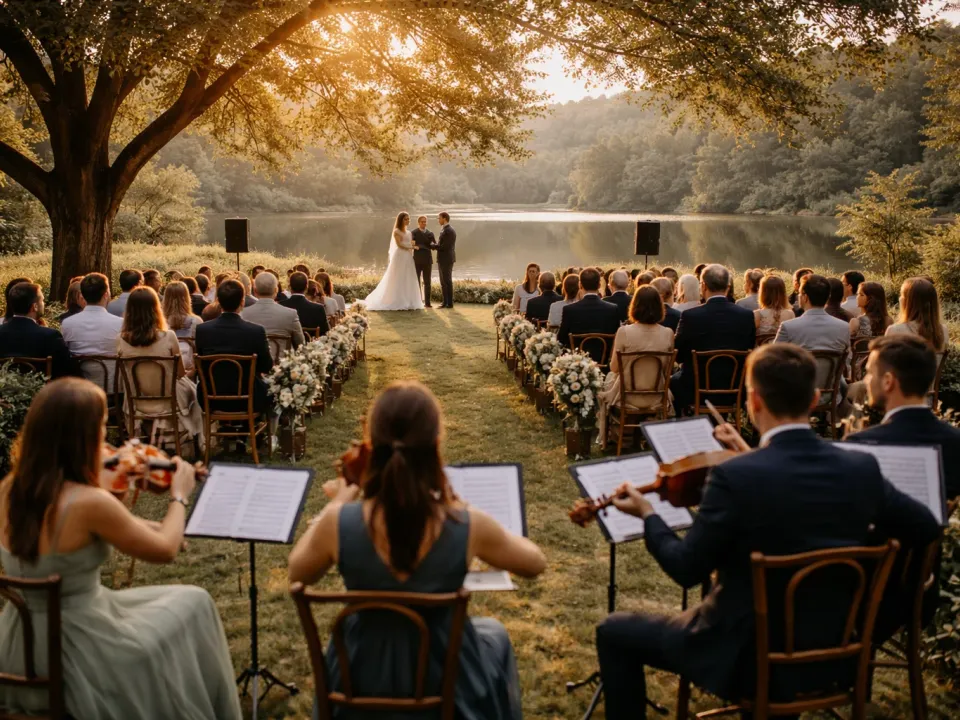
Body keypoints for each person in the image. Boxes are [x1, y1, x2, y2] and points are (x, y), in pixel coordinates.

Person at [595, 344, 940, 719]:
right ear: (813, 399)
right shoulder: (861, 468)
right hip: (835, 655)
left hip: (744, 657)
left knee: (615, 632)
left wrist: (648, 514)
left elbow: (685, 567)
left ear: (754, 401)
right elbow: (924, 525)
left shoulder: (734, 476)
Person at [288, 381, 546, 720]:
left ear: (372, 444)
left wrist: (344, 496)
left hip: (358, 684)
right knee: (493, 634)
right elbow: (535, 563)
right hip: (446, 688)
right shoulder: (468, 523)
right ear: (435, 443)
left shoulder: (336, 522)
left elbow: (297, 571)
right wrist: (461, 506)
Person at [0, 378, 241, 719]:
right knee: (195, 603)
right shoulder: (88, 502)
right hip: (76, 648)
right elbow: (166, 551)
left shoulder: (10, 488)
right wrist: (179, 494)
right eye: (100, 428)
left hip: (16, 643)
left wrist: (147, 521)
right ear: (82, 437)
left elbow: (87, 532)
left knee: (185, 604)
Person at [848, 335, 960, 500]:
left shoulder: (863, 444)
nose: (865, 381)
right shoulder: (956, 441)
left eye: (869, 373)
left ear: (888, 381)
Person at [116, 287, 203, 441]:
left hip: (136, 400)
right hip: (170, 399)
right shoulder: (168, 336)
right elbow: (180, 374)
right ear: (156, 308)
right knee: (195, 392)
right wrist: (193, 370)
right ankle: (192, 439)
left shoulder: (121, 339)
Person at [671, 265, 755, 410]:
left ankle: (684, 423)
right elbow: (749, 349)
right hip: (734, 388)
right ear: (728, 287)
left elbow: (678, 353)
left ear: (703, 286)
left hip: (696, 387)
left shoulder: (691, 316)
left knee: (672, 382)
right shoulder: (746, 316)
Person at [597, 286, 675, 444]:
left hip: (628, 395)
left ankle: (617, 434)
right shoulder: (668, 333)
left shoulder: (624, 332)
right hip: (657, 395)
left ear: (635, 306)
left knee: (610, 378)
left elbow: (614, 368)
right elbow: (667, 371)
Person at [195, 279, 274, 414]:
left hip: (212, 398)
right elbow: (266, 366)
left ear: (218, 301)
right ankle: (265, 431)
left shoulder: (202, 330)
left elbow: (201, 365)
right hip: (250, 398)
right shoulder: (255, 331)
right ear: (242, 302)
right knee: (271, 389)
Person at [0, 282, 78, 379]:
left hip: (3, 392)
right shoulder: (50, 336)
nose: (44, 304)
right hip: (42, 392)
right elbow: (66, 370)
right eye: (42, 300)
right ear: (34, 307)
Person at [62, 273, 123, 390]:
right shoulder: (120, 323)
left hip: (80, 388)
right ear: (106, 295)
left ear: (83, 296)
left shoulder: (68, 324)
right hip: (114, 389)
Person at [774, 274, 850, 355]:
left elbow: (773, 357)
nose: (799, 296)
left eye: (799, 293)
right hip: (833, 368)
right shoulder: (844, 327)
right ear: (828, 297)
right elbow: (847, 360)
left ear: (805, 297)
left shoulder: (788, 327)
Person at [364, 212, 426, 311]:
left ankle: (409, 300)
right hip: (400, 255)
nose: (408, 221)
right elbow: (399, 245)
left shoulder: (409, 233)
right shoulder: (397, 231)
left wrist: (412, 250)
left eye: (408, 219)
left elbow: (409, 243)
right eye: (406, 219)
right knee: (398, 277)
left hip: (408, 257)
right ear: (401, 220)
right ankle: (397, 300)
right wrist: (412, 247)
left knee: (408, 277)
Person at [557, 268, 622, 362]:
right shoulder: (612, 309)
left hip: (578, 365)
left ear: (580, 285)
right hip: (604, 362)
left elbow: (561, 339)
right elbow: (616, 337)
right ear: (599, 285)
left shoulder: (570, 310)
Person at [242, 271, 304, 350]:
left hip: (255, 361)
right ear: (276, 290)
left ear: (255, 291)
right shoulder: (291, 314)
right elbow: (300, 344)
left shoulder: (243, 314)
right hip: (282, 361)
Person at [885, 277, 949, 351]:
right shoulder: (943, 331)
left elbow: (885, 361)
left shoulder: (895, 330)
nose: (900, 298)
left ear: (907, 302)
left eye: (901, 295)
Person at [280, 271, 329, 336]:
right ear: (306, 288)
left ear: (290, 287)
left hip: (288, 345)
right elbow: (325, 333)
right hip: (312, 344)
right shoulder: (318, 309)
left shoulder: (280, 306)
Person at [411, 215, 436, 307]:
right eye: (422, 222)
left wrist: (433, 245)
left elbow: (434, 244)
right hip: (417, 260)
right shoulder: (414, 233)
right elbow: (411, 245)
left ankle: (427, 303)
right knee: (417, 281)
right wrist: (417, 246)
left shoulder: (430, 233)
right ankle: (417, 302)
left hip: (428, 260)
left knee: (427, 282)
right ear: (418, 223)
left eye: (425, 221)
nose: (424, 223)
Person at [436, 211, 457, 308]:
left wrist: (432, 246)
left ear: (444, 218)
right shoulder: (444, 229)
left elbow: (444, 246)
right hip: (442, 259)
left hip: (447, 259)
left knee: (447, 281)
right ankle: (445, 302)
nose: (438, 220)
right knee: (443, 281)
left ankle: (449, 303)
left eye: (439, 218)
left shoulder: (449, 231)